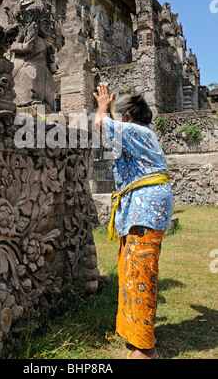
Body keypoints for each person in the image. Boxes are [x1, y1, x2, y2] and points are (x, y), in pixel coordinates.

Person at [93, 83, 173, 360]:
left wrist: (103, 107)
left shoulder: (135, 131)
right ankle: (134, 331)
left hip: (145, 209)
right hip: (141, 207)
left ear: (126, 119)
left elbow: (100, 125)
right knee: (131, 269)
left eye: (117, 117)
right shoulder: (141, 134)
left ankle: (146, 350)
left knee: (140, 272)